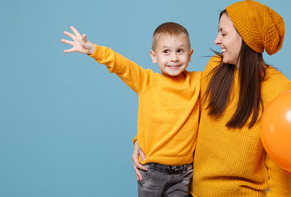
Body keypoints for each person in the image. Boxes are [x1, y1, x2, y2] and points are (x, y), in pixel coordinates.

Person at [133, 0, 291, 196]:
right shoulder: (215, 68)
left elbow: (279, 165)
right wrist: (141, 142)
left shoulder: (279, 88)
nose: (217, 40)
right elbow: (178, 107)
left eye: (224, 33)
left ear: (245, 37)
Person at [61, 22, 202, 197]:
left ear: (190, 55)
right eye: (166, 51)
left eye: (180, 51)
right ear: (154, 56)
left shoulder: (197, 82)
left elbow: (223, 68)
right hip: (151, 170)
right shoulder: (146, 81)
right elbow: (121, 65)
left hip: (183, 173)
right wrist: (93, 50)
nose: (173, 58)